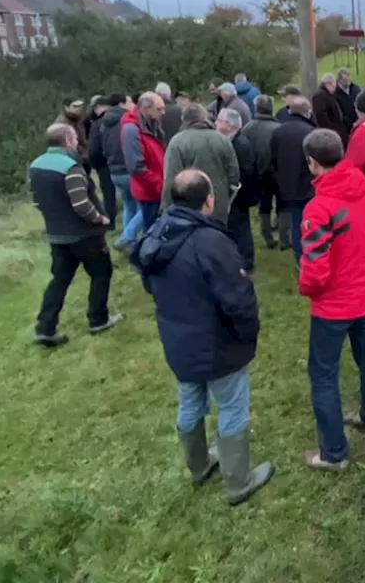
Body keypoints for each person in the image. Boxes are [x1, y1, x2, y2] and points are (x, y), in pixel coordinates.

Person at [133, 169, 274, 506]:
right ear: (209, 200)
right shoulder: (212, 242)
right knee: (231, 406)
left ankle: (198, 465)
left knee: (190, 399)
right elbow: (238, 298)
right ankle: (238, 481)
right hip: (217, 344)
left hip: (178, 341)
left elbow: (150, 282)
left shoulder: (156, 232)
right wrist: (248, 334)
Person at [297, 129, 365, 471]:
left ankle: (334, 453)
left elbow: (315, 272)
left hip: (333, 307)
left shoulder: (318, 208)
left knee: (323, 374)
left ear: (312, 163)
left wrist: (306, 287)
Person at [28, 123, 124, 346]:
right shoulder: (70, 166)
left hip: (57, 235)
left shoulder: (35, 165)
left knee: (59, 280)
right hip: (85, 235)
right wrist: (100, 219)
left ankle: (45, 328)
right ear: (69, 140)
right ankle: (98, 319)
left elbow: (35, 199)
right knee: (101, 273)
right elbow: (81, 204)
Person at [163, 104, 240, 224]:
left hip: (188, 207)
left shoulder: (177, 142)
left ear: (184, 120)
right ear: (205, 118)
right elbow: (234, 175)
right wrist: (226, 198)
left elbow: (170, 179)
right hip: (217, 202)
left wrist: (165, 209)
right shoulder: (222, 139)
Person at [271, 93, 319, 262]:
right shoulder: (312, 132)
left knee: (296, 220)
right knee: (311, 221)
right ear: (307, 113)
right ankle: (312, 253)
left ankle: (299, 255)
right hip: (308, 185)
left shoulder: (278, 132)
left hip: (286, 185)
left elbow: (273, 159)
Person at [216, 108, 259, 271]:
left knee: (241, 227)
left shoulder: (240, 143)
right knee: (235, 226)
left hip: (240, 194)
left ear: (229, 124)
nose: (215, 123)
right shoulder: (232, 140)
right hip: (236, 193)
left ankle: (246, 260)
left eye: (219, 120)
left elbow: (245, 171)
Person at [122, 92, 167, 240]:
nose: (163, 112)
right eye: (159, 109)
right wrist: (159, 185)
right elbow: (136, 167)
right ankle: (144, 257)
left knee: (157, 228)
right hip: (149, 190)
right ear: (146, 109)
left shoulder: (153, 124)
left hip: (157, 187)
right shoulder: (131, 130)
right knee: (151, 231)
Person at [242, 94, 283, 249]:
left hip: (257, 173)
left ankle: (267, 237)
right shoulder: (278, 128)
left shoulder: (247, 128)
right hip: (276, 172)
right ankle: (285, 237)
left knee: (264, 205)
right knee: (282, 204)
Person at [97, 94, 137, 246]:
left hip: (114, 171)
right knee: (145, 207)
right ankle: (126, 237)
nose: (133, 104)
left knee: (129, 205)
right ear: (122, 104)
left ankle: (130, 241)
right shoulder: (127, 121)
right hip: (129, 169)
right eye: (130, 101)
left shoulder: (103, 123)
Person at [85, 95, 117, 225]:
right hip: (123, 162)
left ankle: (111, 221)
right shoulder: (125, 118)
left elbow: (93, 149)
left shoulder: (96, 124)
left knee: (108, 194)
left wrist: (95, 164)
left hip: (104, 164)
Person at [311, 73, 348, 141]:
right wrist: (332, 130)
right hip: (330, 134)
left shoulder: (328, 95)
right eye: (334, 85)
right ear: (328, 84)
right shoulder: (320, 96)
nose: (335, 88)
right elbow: (320, 115)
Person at [55, 97, 89, 162]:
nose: (79, 109)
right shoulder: (63, 122)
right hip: (70, 157)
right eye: (75, 106)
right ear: (66, 107)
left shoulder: (77, 119)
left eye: (80, 106)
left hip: (81, 155)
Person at [333, 67, 361, 133]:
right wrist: (350, 123)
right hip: (344, 128)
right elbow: (337, 113)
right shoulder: (335, 93)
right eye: (345, 80)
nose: (348, 82)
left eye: (349, 79)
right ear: (339, 80)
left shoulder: (356, 89)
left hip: (358, 123)